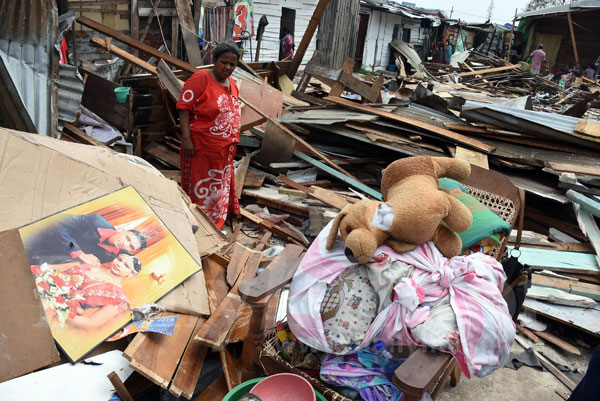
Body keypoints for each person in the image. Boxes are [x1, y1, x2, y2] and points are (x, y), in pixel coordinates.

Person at [177, 42, 242, 229]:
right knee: (200, 186)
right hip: (201, 147)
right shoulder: (201, 78)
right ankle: (200, 225)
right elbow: (183, 108)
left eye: (232, 64)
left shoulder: (232, 84)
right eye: (224, 62)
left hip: (223, 151)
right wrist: (187, 139)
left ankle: (216, 221)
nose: (228, 67)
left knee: (218, 187)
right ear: (214, 60)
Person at [31, 252, 142, 330]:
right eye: (119, 259)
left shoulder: (119, 298)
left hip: (55, 307)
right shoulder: (92, 264)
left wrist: (59, 311)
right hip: (39, 285)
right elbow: (51, 268)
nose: (119, 263)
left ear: (131, 274)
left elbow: (91, 323)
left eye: (126, 265)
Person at [24, 213, 147, 266]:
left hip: (53, 262)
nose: (125, 244)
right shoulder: (95, 221)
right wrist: (80, 253)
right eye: (127, 238)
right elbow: (59, 224)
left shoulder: (114, 256)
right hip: (41, 240)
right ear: (123, 230)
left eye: (131, 247)